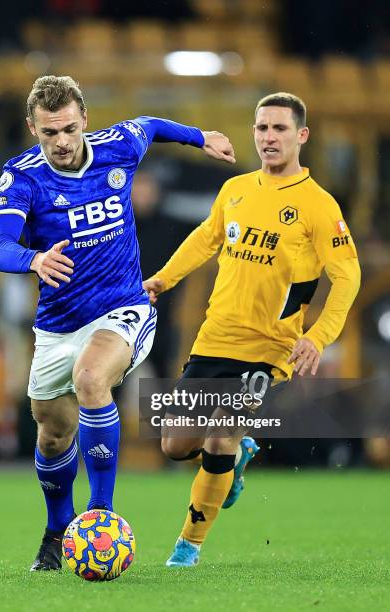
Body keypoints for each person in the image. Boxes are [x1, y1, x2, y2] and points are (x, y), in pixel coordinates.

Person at [0, 75, 236, 571]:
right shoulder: (21, 178)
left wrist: (200, 137)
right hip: (58, 324)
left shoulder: (117, 147)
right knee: (52, 434)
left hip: (124, 306)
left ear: (85, 121)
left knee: (90, 378)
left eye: (68, 129)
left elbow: (151, 124)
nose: (60, 142)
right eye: (48, 133)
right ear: (32, 129)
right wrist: (34, 260)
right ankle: (59, 528)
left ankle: (101, 516)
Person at [143, 92, 361, 567]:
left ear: (301, 136)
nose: (268, 137)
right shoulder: (235, 189)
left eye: (279, 129)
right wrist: (163, 278)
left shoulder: (318, 206)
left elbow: (348, 276)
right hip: (216, 338)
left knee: (219, 431)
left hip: (270, 348)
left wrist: (318, 335)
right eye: (261, 128)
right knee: (176, 443)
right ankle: (238, 454)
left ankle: (188, 546)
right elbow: (206, 238)